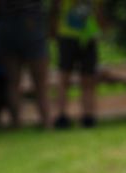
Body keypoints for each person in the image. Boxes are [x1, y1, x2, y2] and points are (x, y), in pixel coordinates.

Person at [50, 0, 102, 129]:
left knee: (88, 79)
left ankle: (88, 115)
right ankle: (61, 115)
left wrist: (100, 29)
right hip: (67, 36)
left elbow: (99, 11)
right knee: (64, 78)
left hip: (89, 36)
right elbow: (55, 9)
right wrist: (53, 29)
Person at [0, 0, 51, 128]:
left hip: (7, 23)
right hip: (32, 23)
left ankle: (15, 123)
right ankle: (46, 122)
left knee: (13, 82)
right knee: (40, 83)